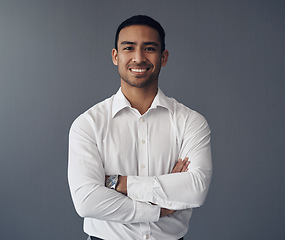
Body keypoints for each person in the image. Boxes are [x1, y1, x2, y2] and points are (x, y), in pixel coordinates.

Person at [68, 15, 212, 240]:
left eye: (149, 48)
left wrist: (120, 183)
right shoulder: (88, 124)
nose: (138, 57)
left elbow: (196, 188)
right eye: (129, 48)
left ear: (163, 57)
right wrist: (160, 208)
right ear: (115, 56)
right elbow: (87, 201)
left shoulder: (190, 122)